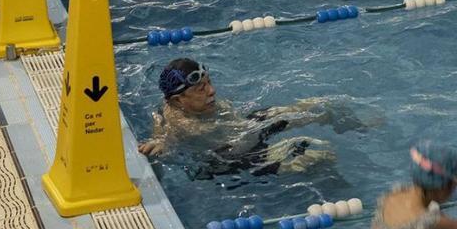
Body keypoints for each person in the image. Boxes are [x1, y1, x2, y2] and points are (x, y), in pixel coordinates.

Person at [137, 58, 355, 178]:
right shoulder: (179, 122)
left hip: (248, 129)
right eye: (201, 89)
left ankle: (352, 125)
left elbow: (240, 124)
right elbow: (164, 136)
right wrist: (159, 142)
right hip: (237, 158)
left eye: (209, 83)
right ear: (177, 101)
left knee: (313, 107)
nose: (212, 91)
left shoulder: (200, 106)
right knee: (319, 153)